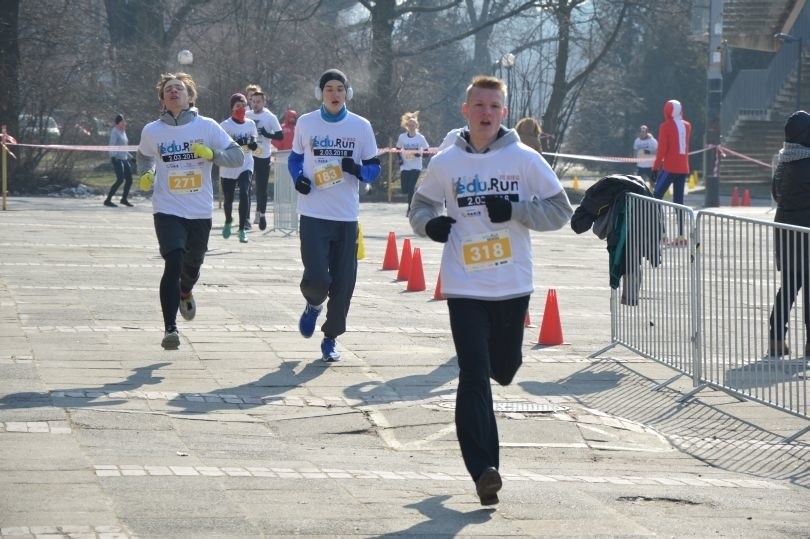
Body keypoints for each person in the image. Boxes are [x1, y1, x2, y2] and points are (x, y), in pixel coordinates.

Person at [409, 75, 573, 506]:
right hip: (464, 285)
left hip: (512, 284)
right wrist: (431, 225)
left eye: (494, 107)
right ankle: (484, 470)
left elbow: (560, 209)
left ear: (504, 112)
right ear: (466, 111)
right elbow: (420, 205)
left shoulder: (524, 159)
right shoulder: (446, 162)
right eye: (479, 106)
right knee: (473, 375)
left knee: (504, 367)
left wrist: (516, 210)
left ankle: (485, 456)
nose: (486, 113)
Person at [136, 72, 243, 349]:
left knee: (192, 265)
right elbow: (144, 155)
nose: (174, 92)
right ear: (162, 98)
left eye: (179, 89)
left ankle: (186, 290)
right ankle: (170, 329)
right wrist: (147, 173)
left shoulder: (206, 127)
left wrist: (212, 155)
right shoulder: (152, 130)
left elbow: (237, 156)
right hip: (167, 208)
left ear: (190, 97)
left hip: (198, 210)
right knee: (173, 260)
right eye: (168, 89)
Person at [288, 68, 381, 362]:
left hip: (346, 216)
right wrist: (298, 179)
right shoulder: (306, 122)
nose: (335, 94)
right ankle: (313, 304)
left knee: (344, 283)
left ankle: (330, 337)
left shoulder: (361, 126)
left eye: (340, 88)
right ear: (320, 93)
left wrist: (358, 170)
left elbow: (374, 168)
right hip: (313, 213)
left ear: (347, 93)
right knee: (316, 277)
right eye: (329, 88)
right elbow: (295, 158)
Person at [768, 110, 810, 357]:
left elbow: (776, 194)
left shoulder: (783, 161)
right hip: (807, 232)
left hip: (785, 231)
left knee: (789, 287)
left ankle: (775, 338)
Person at [220, 93, 259, 243]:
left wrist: (253, 143)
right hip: (229, 165)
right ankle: (228, 220)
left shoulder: (250, 124)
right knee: (228, 199)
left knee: (244, 192)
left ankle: (242, 228)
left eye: (244, 106)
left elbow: (253, 138)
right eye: (238, 106)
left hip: (246, 163)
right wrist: (237, 142)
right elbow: (220, 145)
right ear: (232, 108)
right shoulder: (225, 125)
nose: (241, 109)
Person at [246, 91, 282, 231]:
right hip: (249, 155)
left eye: (258, 101)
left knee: (262, 188)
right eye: (253, 101)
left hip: (263, 156)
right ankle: (246, 218)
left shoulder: (270, 117)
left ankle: (261, 214)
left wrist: (267, 134)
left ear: (264, 102)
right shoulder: (247, 115)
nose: (255, 104)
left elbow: (280, 135)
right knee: (245, 187)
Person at [651, 100, 691, 204]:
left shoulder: (665, 126)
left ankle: (657, 220)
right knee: (679, 201)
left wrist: (655, 168)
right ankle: (681, 221)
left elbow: (662, 150)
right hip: (683, 168)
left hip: (669, 168)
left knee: (656, 195)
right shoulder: (687, 126)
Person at [395, 111, 429, 215]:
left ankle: (410, 209)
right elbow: (397, 149)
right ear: (406, 126)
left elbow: (427, 152)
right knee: (405, 189)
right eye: (409, 125)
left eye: (413, 125)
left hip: (416, 166)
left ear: (416, 126)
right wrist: (400, 159)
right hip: (405, 166)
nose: (411, 126)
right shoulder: (402, 137)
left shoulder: (420, 138)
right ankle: (417, 200)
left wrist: (419, 154)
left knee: (411, 188)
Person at [104, 114, 134, 207]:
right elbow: (112, 145)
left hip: (124, 159)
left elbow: (124, 147)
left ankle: (124, 199)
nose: (124, 123)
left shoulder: (123, 132)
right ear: (118, 123)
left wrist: (131, 157)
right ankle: (108, 200)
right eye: (122, 121)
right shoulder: (115, 132)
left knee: (129, 180)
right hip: (117, 159)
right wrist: (112, 157)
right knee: (120, 179)